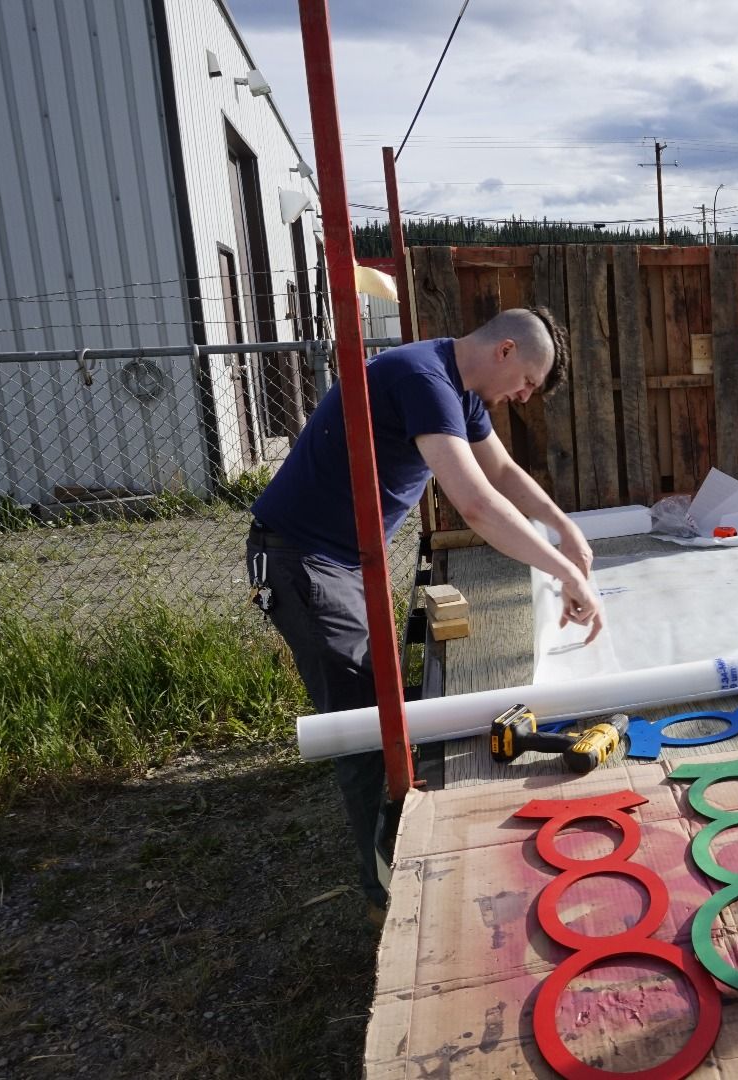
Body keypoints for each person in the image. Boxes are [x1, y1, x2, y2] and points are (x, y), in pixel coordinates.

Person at [244, 308, 604, 921]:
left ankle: (395, 857)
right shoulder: (423, 377)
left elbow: (503, 472)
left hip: (345, 562)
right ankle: (389, 893)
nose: (522, 397)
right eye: (528, 383)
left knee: (377, 712)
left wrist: (566, 531)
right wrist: (564, 573)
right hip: (304, 561)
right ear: (506, 350)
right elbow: (477, 506)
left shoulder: (455, 388)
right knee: (362, 729)